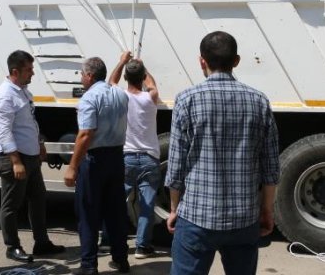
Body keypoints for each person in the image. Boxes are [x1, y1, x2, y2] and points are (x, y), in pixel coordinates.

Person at [165, 31, 280, 275]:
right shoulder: (259, 101)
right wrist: (267, 211)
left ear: (202, 62)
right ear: (236, 61)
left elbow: (176, 165)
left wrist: (174, 208)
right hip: (244, 219)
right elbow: (270, 168)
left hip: (196, 216)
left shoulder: (186, 100)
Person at [0, 50, 65, 263]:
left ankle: (41, 243)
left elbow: (29, 121)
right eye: (29, 70)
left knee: (38, 199)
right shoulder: (5, 95)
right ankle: (12, 246)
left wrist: (39, 143)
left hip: (30, 156)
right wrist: (15, 161)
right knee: (11, 204)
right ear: (15, 71)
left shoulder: (21, 90)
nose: (32, 73)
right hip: (14, 158)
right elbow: (3, 132)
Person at [64, 57, 131, 275]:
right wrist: (121, 63)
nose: (81, 78)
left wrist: (72, 166)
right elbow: (113, 83)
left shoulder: (88, 98)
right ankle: (121, 260)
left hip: (94, 160)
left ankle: (88, 265)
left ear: (90, 76)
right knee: (116, 212)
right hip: (116, 157)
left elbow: (85, 134)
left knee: (88, 213)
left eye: (82, 74)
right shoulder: (120, 94)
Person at [108, 51, 161, 259]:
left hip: (126, 157)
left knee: (116, 201)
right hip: (149, 157)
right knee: (147, 204)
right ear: (142, 78)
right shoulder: (150, 98)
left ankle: (111, 241)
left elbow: (111, 80)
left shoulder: (120, 96)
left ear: (126, 78)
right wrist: (142, 65)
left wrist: (122, 61)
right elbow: (153, 85)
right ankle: (142, 246)